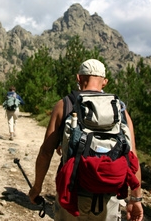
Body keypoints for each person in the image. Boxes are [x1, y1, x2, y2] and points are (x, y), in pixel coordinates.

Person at [29, 59, 144, 221]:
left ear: (78, 78)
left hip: (73, 194)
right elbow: (132, 156)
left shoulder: (65, 104)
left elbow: (46, 152)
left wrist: (36, 187)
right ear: (104, 82)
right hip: (109, 195)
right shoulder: (120, 109)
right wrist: (135, 199)